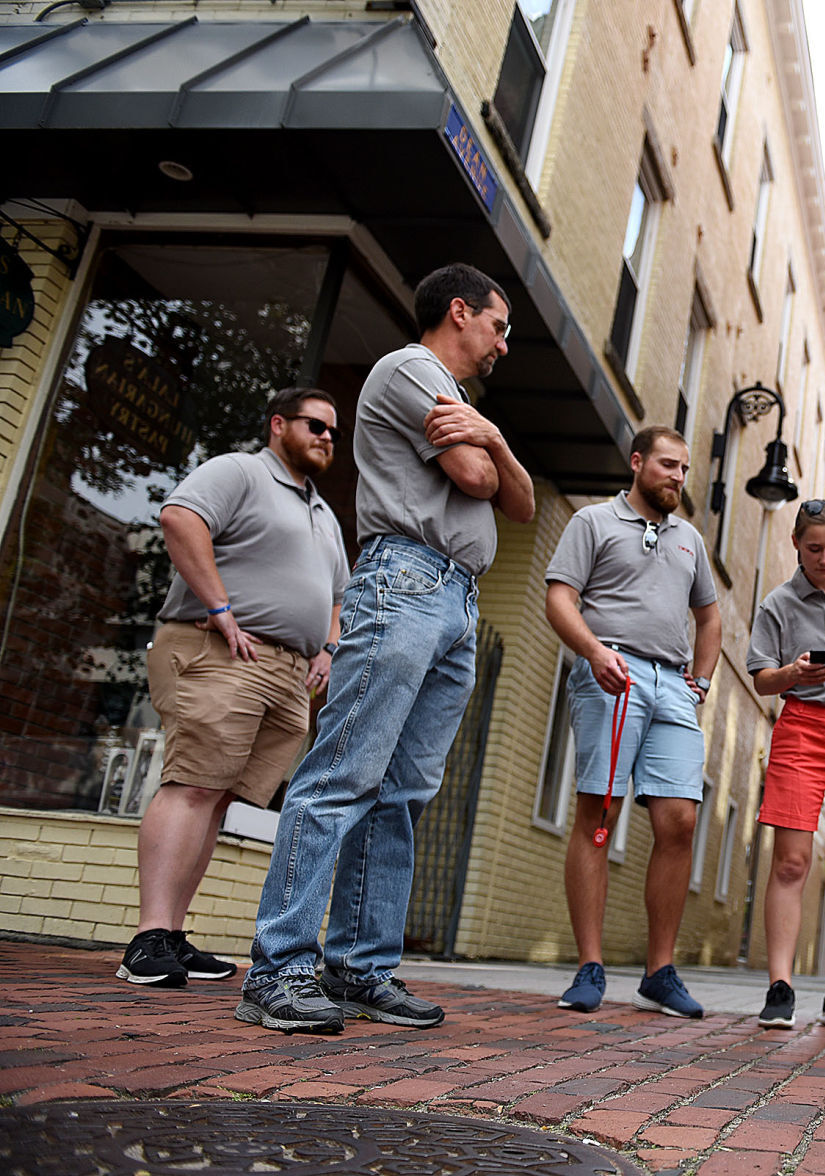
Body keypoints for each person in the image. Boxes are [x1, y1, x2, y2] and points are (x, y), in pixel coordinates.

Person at [237, 262, 534, 1034]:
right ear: (461, 312)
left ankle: (360, 970)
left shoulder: (467, 405)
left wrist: (495, 436)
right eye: (499, 326)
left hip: (456, 600)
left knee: (401, 793)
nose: (505, 343)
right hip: (403, 581)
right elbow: (476, 480)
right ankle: (278, 971)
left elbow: (524, 503)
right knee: (341, 774)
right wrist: (490, 454)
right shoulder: (411, 369)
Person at [115, 388, 348, 989]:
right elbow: (179, 517)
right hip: (219, 651)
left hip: (287, 674)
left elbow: (337, 598)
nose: (326, 437)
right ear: (278, 424)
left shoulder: (323, 513)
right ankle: (147, 939)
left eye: (333, 431)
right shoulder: (240, 471)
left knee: (217, 799)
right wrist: (220, 607)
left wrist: (325, 649)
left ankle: (171, 933)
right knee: (191, 785)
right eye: (315, 424)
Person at [545, 425, 721, 1019]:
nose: (677, 477)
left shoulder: (690, 539)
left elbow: (710, 617)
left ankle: (659, 973)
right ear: (638, 461)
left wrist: (698, 681)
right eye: (668, 465)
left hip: (673, 687)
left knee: (680, 820)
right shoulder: (592, 523)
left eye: (685, 469)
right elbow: (560, 599)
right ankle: (589, 966)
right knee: (600, 811)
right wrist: (594, 652)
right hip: (609, 674)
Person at [745, 499, 825, 1030]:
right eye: (814, 549)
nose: (824, 559)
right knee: (791, 861)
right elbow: (761, 679)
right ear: (796, 544)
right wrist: (792, 673)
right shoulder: (778, 602)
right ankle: (780, 985)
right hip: (801, 726)